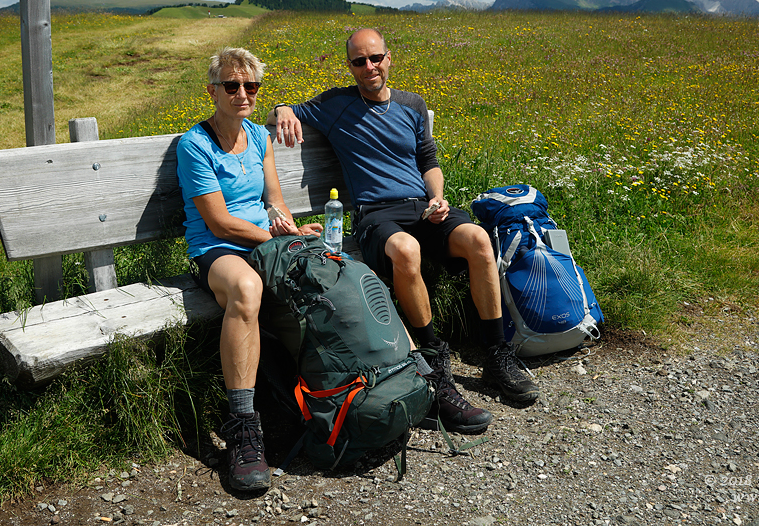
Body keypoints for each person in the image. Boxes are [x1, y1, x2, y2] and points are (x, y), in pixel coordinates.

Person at [269, 28, 540, 430]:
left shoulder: (412, 104)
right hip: (376, 214)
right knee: (407, 251)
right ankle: (431, 360)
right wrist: (282, 108)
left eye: (375, 58)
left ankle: (496, 353)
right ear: (350, 66)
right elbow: (278, 112)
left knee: (479, 240)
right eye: (359, 61)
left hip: (422, 207)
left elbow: (428, 160)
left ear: (388, 58)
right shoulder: (336, 103)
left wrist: (439, 197)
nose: (369, 67)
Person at [176, 47, 322, 492]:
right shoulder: (195, 144)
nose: (243, 93)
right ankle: (243, 425)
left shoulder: (259, 137)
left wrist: (289, 225)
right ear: (212, 91)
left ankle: (326, 396)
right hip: (216, 249)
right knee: (246, 287)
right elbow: (218, 221)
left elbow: (272, 198)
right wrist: (280, 239)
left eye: (251, 86)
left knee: (328, 273)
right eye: (232, 86)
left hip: (265, 240)